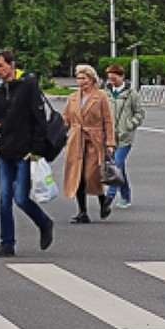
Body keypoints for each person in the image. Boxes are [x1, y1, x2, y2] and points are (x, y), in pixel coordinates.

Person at [0, 48, 55, 258]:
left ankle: (45, 223)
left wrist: (36, 149)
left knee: (21, 198)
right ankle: (7, 243)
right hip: (5, 151)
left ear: (12, 65)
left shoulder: (28, 86)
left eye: (0, 66)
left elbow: (39, 119)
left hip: (25, 152)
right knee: (4, 199)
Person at [62, 65, 116, 223]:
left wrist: (110, 143)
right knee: (77, 176)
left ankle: (103, 202)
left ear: (92, 79)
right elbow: (66, 119)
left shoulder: (101, 97)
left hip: (94, 140)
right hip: (76, 140)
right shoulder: (73, 97)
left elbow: (108, 121)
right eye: (79, 78)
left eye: (84, 78)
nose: (81, 82)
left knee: (92, 175)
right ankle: (82, 212)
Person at [104, 64, 144, 209]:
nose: (111, 82)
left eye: (114, 79)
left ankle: (110, 195)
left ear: (122, 77)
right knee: (119, 168)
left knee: (117, 163)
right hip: (109, 137)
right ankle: (125, 195)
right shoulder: (106, 93)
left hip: (124, 137)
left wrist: (130, 124)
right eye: (110, 79)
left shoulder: (131, 94)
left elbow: (140, 113)